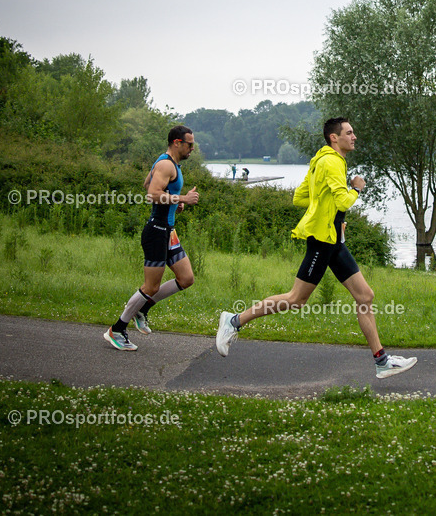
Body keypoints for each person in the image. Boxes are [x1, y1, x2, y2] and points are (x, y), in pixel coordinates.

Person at [216, 117, 416, 379]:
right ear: (335, 137)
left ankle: (382, 361)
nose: (354, 137)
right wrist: (356, 188)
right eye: (349, 132)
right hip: (323, 242)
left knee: (365, 296)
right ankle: (234, 321)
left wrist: (328, 212)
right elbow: (344, 201)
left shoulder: (321, 160)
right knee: (296, 299)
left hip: (333, 240)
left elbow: (301, 197)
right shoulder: (332, 161)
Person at [104, 126, 199, 351]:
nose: (192, 149)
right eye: (189, 144)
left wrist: (176, 202)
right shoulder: (166, 164)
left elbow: (148, 184)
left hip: (168, 231)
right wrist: (183, 197)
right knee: (151, 286)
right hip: (157, 231)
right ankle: (116, 329)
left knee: (186, 279)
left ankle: (142, 309)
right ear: (177, 142)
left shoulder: (166, 163)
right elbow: (151, 193)